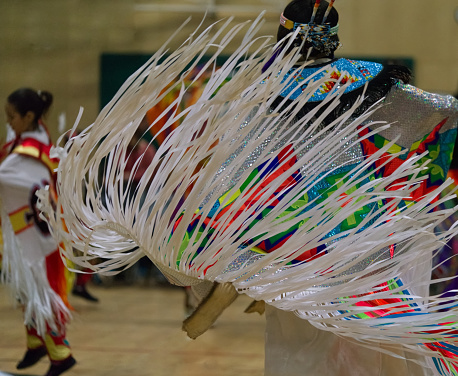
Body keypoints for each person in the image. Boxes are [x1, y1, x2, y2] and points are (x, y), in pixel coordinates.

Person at [43, 2, 458, 375]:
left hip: (290, 255)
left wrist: (218, 252)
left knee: (299, 348)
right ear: (333, 41)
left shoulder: (261, 95)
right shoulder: (375, 86)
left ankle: (238, 286)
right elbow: (442, 115)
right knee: (370, 349)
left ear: (283, 38)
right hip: (360, 249)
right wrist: (420, 181)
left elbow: (231, 177)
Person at [1, 88, 76, 376]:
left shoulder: (27, 155)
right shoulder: (38, 136)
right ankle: (36, 341)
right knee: (27, 288)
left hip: (39, 235)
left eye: (12, 117)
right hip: (30, 227)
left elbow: (8, 176)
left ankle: (60, 353)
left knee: (43, 289)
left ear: (29, 116)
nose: (9, 123)